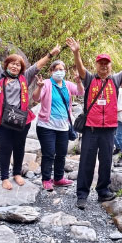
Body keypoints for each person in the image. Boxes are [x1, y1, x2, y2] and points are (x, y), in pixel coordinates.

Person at [67, 36, 122, 209]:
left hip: (109, 128)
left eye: (106, 64)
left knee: (106, 161)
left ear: (110, 66)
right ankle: (82, 194)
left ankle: (103, 191)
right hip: (91, 128)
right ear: (97, 66)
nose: (104, 66)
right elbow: (80, 69)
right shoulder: (89, 79)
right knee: (86, 161)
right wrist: (76, 52)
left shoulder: (115, 79)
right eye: (101, 63)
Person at [0, 25, 60, 190]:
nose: (14, 67)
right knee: (5, 147)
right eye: (11, 64)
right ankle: (4, 176)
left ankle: (17, 173)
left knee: (19, 146)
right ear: (6, 66)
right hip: (2, 119)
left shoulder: (25, 77)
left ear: (21, 68)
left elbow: (37, 66)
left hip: (21, 118)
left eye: (17, 65)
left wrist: (50, 54)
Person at [33, 60, 83, 191]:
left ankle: (58, 178)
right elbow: (35, 98)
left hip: (63, 126)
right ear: (51, 71)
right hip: (46, 125)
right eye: (57, 70)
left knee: (61, 154)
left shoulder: (67, 85)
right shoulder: (47, 84)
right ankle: (46, 179)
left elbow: (80, 92)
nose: (60, 72)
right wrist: (39, 87)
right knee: (49, 153)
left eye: (62, 69)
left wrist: (78, 81)